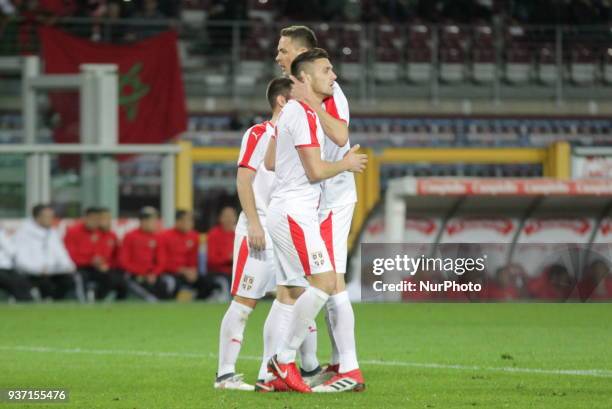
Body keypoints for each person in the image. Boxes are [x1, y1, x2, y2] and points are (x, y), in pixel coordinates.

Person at [264, 48, 367, 393]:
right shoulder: (303, 114)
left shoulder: (299, 112)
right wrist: (346, 164)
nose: (333, 76)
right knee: (323, 283)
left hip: (295, 209)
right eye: (327, 70)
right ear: (306, 77)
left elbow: (271, 161)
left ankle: (281, 369)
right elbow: (316, 170)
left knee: (303, 288)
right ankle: (284, 359)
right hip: (295, 210)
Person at [214, 77, 296, 391]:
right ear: (282, 102)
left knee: (290, 300)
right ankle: (224, 375)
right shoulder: (259, 133)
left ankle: (270, 372)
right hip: (258, 230)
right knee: (244, 302)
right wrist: (254, 223)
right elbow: (243, 180)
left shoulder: (295, 139)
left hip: (286, 232)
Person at [13, 204, 79, 300]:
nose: (51, 219)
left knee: (68, 280)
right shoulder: (23, 233)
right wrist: (38, 269)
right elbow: (20, 259)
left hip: (53, 271)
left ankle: (58, 304)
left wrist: (68, 266)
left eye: (52, 216)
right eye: (47, 216)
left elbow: (61, 254)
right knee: (45, 283)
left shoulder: (53, 233)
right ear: (37, 218)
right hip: (32, 273)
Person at [119, 207, 169, 300]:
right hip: (135, 275)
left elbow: (162, 261)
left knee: (165, 285)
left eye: (156, 220)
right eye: (153, 221)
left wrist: (153, 273)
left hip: (153, 276)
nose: (155, 224)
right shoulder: (130, 236)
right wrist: (142, 273)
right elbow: (124, 261)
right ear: (143, 221)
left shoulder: (158, 237)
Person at [157, 209, 209, 299]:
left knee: (207, 281)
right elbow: (162, 261)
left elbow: (193, 258)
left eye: (191, 220)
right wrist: (181, 270)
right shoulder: (165, 236)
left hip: (188, 273)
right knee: (170, 283)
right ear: (178, 221)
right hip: (171, 273)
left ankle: (197, 305)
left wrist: (192, 270)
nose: (189, 223)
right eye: (186, 220)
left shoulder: (194, 236)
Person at [93, 208, 128, 300]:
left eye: (107, 218)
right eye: (102, 218)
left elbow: (117, 256)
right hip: (92, 268)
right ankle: (98, 300)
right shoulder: (92, 234)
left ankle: (120, 305)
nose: (105, 221)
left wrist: (111, 265)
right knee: (108, 278)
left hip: (109, 268)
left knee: (122, 281)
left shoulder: (112, 235)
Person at [206, 206, 237, 288]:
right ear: (220, 218)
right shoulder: (213, 234)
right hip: (219, 272)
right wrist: (228, 258)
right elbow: (211, 260)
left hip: (237, 272)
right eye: (226, 216)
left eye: (231, 216)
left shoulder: (239, 234)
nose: (229, 219)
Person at [0, 227, 33, 301]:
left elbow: (12, 251)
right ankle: (23, 301)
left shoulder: (2, 234)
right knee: (12, 281)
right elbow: (11, 251)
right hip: (2, 270)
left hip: (7, 268)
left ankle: (29, 300)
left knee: (22, 280)